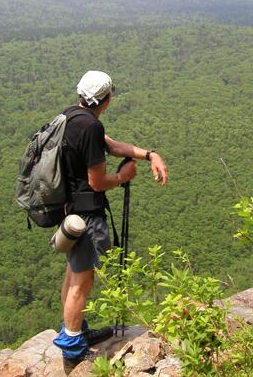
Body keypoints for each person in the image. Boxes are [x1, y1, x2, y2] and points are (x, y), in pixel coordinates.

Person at [53, 70, 168, 373]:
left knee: (73, 272)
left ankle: (75, 330)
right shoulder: (90, 127)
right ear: (108, 98)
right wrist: (122, 177)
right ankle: (73, 348)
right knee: (83, 280)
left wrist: (150, 154)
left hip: (69, 211)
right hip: (86, 214)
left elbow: (113, 146)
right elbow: (97, 182)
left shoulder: (71, 117)